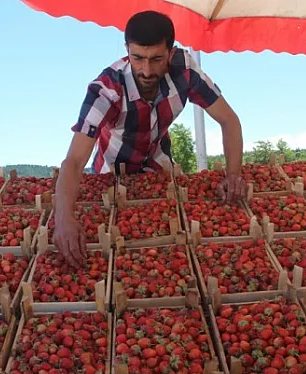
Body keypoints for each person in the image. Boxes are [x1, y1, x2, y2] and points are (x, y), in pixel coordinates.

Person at [53, 10, 246, 266]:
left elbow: (229, 121)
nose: (146, 70)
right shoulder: (106, 91)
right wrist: (63, 219)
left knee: (164, 247)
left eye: (156, 59)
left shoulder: (184, 71)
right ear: (126, 50)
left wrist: (233, 175)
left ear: (170, 51)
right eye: (138, 58)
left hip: (159, 170)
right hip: (111, 175)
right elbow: (75, 161)